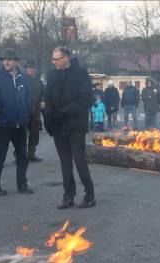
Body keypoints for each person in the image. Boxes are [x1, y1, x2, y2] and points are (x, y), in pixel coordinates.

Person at [43, 46, 95, 209]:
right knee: (65, 162)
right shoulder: (51, 75)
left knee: (79, 160)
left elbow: (86, 100)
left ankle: (90, 195)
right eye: (53, 59)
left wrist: (65, 111)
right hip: (58, 125)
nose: (53, 62)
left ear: (66, 58)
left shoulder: (81, 74)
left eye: (56, 59)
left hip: (76, 125)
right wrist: (48, 116)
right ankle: (68, 196)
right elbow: (48, 96)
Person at [0, 48, 33, 196]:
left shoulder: (22, 78)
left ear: (16, 61)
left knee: (22, 156)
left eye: (9, 59)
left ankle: (22, 184)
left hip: (20, 124)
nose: (6, 62)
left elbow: (28, 96)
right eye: (4, 59)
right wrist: (0, 110)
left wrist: (26, 111)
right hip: (3, 123)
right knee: (0, 156)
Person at [24, 60, 44, 162]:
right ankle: (20, 154)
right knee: (21, 135)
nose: (31, 69)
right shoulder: (21, 80)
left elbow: (44, 92)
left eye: (33, 68)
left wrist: (43, 100)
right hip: (24, 113)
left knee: (34, 135)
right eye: (29, 68)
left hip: (35, 112)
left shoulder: (38, 81)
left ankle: (32, 154)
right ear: (26, 69)